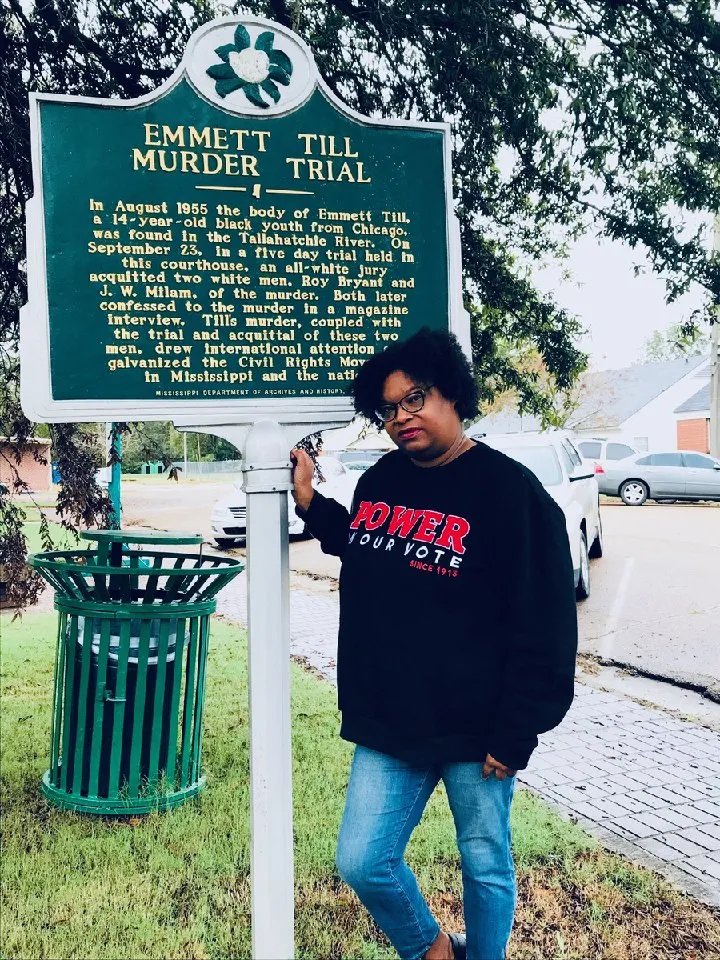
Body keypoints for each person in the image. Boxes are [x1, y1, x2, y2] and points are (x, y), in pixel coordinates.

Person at [291, 328, 578, 960]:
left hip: (479, 729)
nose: (401, 418)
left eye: (414, 398)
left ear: (452, 393)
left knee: (485, 863)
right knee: (363, 861)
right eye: (388, 409)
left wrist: (517, 729)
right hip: (392, 719)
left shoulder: (511, 493)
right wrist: (313, 505)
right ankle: (432, 949)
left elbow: (547, 624)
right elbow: (371, 544)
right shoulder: (383, 480)